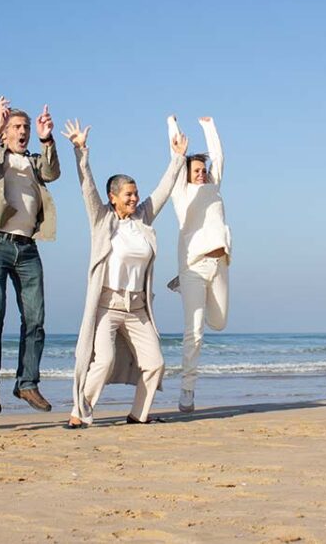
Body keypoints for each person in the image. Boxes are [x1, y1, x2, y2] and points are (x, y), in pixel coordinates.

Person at [62, 118, 187, 428]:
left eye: (135, 193)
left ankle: (137, 416)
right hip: (106, 305)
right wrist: (81, 152)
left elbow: (163, 191)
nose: (134, 198)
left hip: (138, 308)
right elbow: (86, 187)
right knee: (102, 361)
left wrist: (177, 159)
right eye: (128, 194)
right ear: (113, 196)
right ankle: (81, 411)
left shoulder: (143, 217)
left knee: (155, 364)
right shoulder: (102, 219)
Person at [0, 97, 60, 416]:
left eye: (25, 127)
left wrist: (46, 137)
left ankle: (26, 384)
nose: (22, 131)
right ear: (6, 133)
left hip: (27, 247)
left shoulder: (35, 161)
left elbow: (52, 172)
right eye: (16, 127)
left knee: (35, 318)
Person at [166, 116, 231, 413]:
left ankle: (188, 291)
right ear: (187, 175)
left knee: (218, 323)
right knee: (194, 331)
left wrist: (209, 127)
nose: (202, 174)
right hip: (194, 266)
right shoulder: (181, 193)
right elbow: (175, 156)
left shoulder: (214, 187)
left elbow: (218, 156)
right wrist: (172, 124)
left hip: (220, 265)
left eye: (203, 170)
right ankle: (187, 390)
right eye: (196, 171)